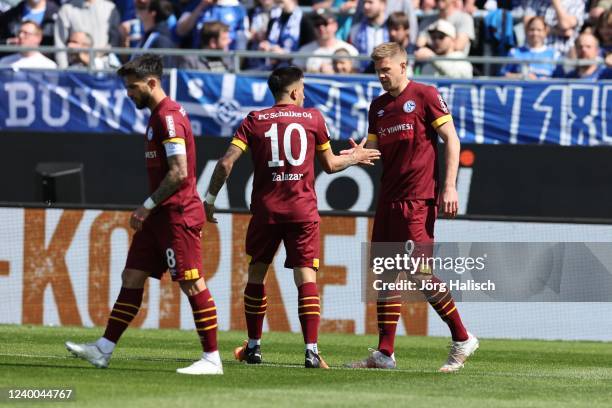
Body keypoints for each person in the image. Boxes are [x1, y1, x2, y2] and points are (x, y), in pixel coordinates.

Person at [203, 66, 380, 368]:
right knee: (305, 277)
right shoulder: (313, 118)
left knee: (257, 273)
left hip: (266, 210)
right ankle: (311, 350)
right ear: (296, 92)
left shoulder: (254, 120)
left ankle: (255, 347)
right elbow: (330, 165)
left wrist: (209, 198)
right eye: (304, 89)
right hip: (302, 210)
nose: (305, 93)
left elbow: (224, 163)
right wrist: (356, 157)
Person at [65, 54, 223, 376]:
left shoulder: (168, 118)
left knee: (192, 284)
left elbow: (179, 173)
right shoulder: (157, 117)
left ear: (152, 83)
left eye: (133, 87)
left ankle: (212, 359)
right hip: (160, 217)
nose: (128, 93)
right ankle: (103, 349)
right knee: (132, 276)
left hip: (177, 213)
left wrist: (146, 205)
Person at [344, 42, 479, 372]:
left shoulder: (425, 95)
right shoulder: (377, 107)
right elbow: (374, 151)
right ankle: (385, 354)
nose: (381, 76)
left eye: (386, 70)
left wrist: (449, 186)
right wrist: (359, 156)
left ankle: (462, 338)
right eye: (377, 71)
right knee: (387, 276)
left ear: (403, 67)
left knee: (419, 273)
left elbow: (453, 140)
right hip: (389, 199)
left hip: (418, 199)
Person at [294, 9, 359, 73]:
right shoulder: (304, 50)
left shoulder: (350, 50)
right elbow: (296, 77)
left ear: (335, 25)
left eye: (325, 23)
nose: (321, 27)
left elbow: (357, 75)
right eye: (317, 24)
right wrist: (316, 71)